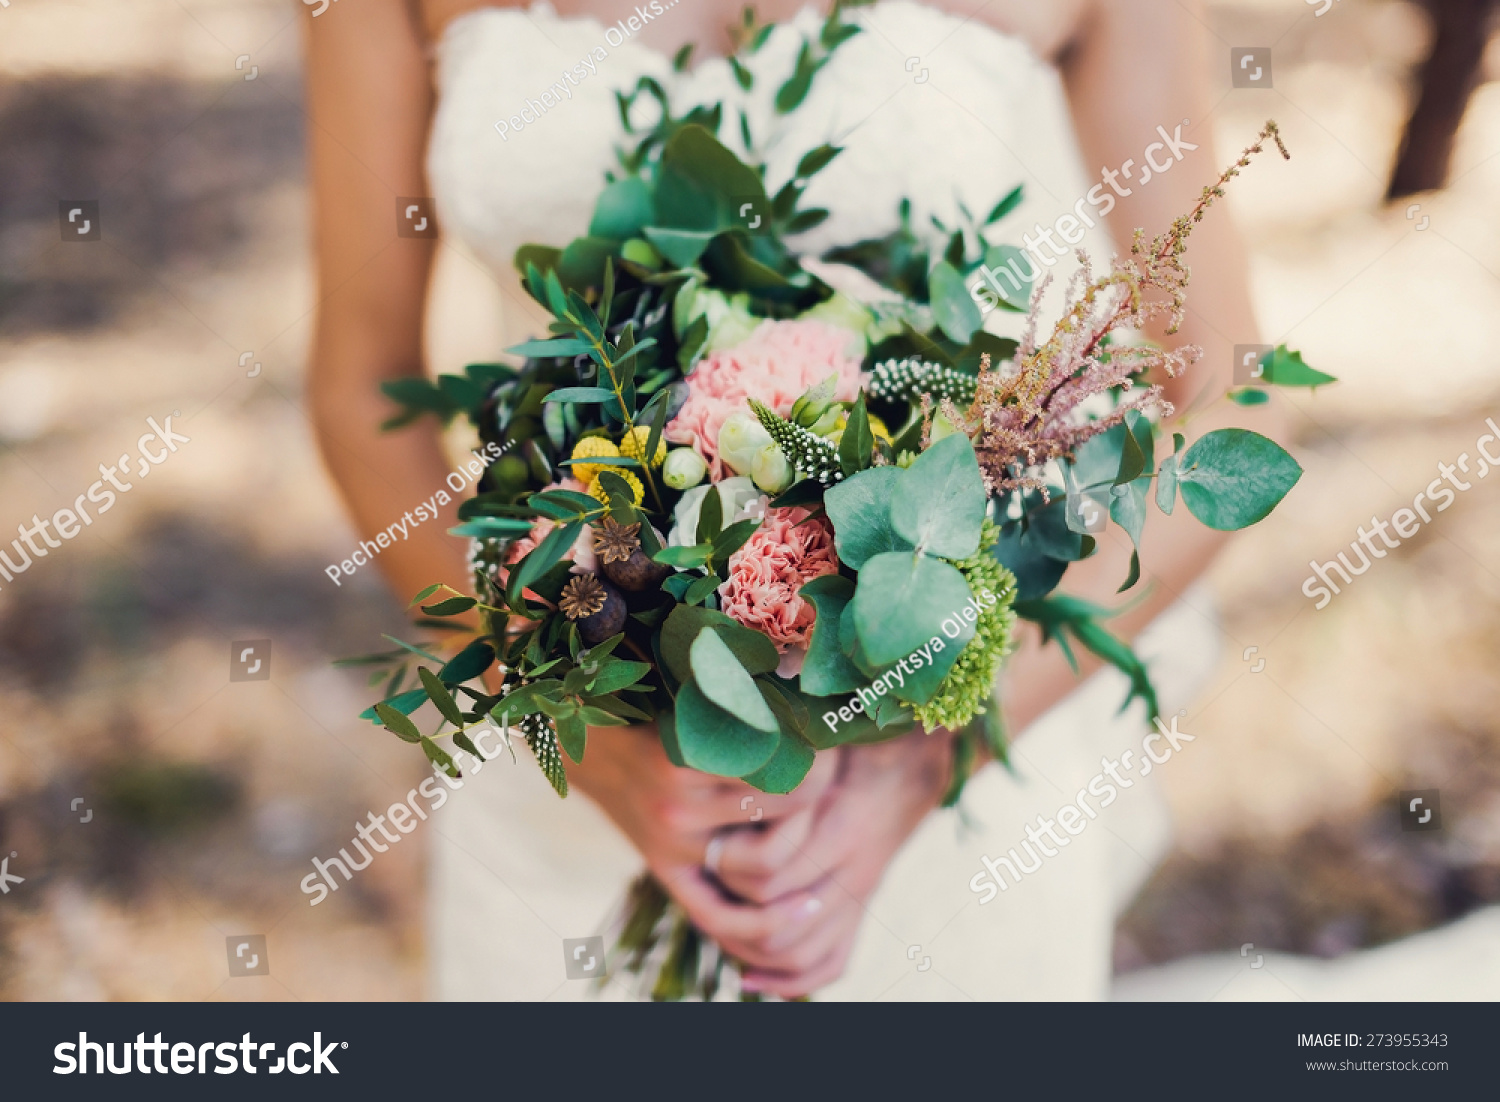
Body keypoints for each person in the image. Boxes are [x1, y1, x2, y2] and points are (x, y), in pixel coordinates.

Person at [304, 0, 1283, 999]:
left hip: (944, 799)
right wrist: (583, 741)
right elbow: (358, 388)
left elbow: (1234, 392)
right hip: (570, 760)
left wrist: (917, 766)